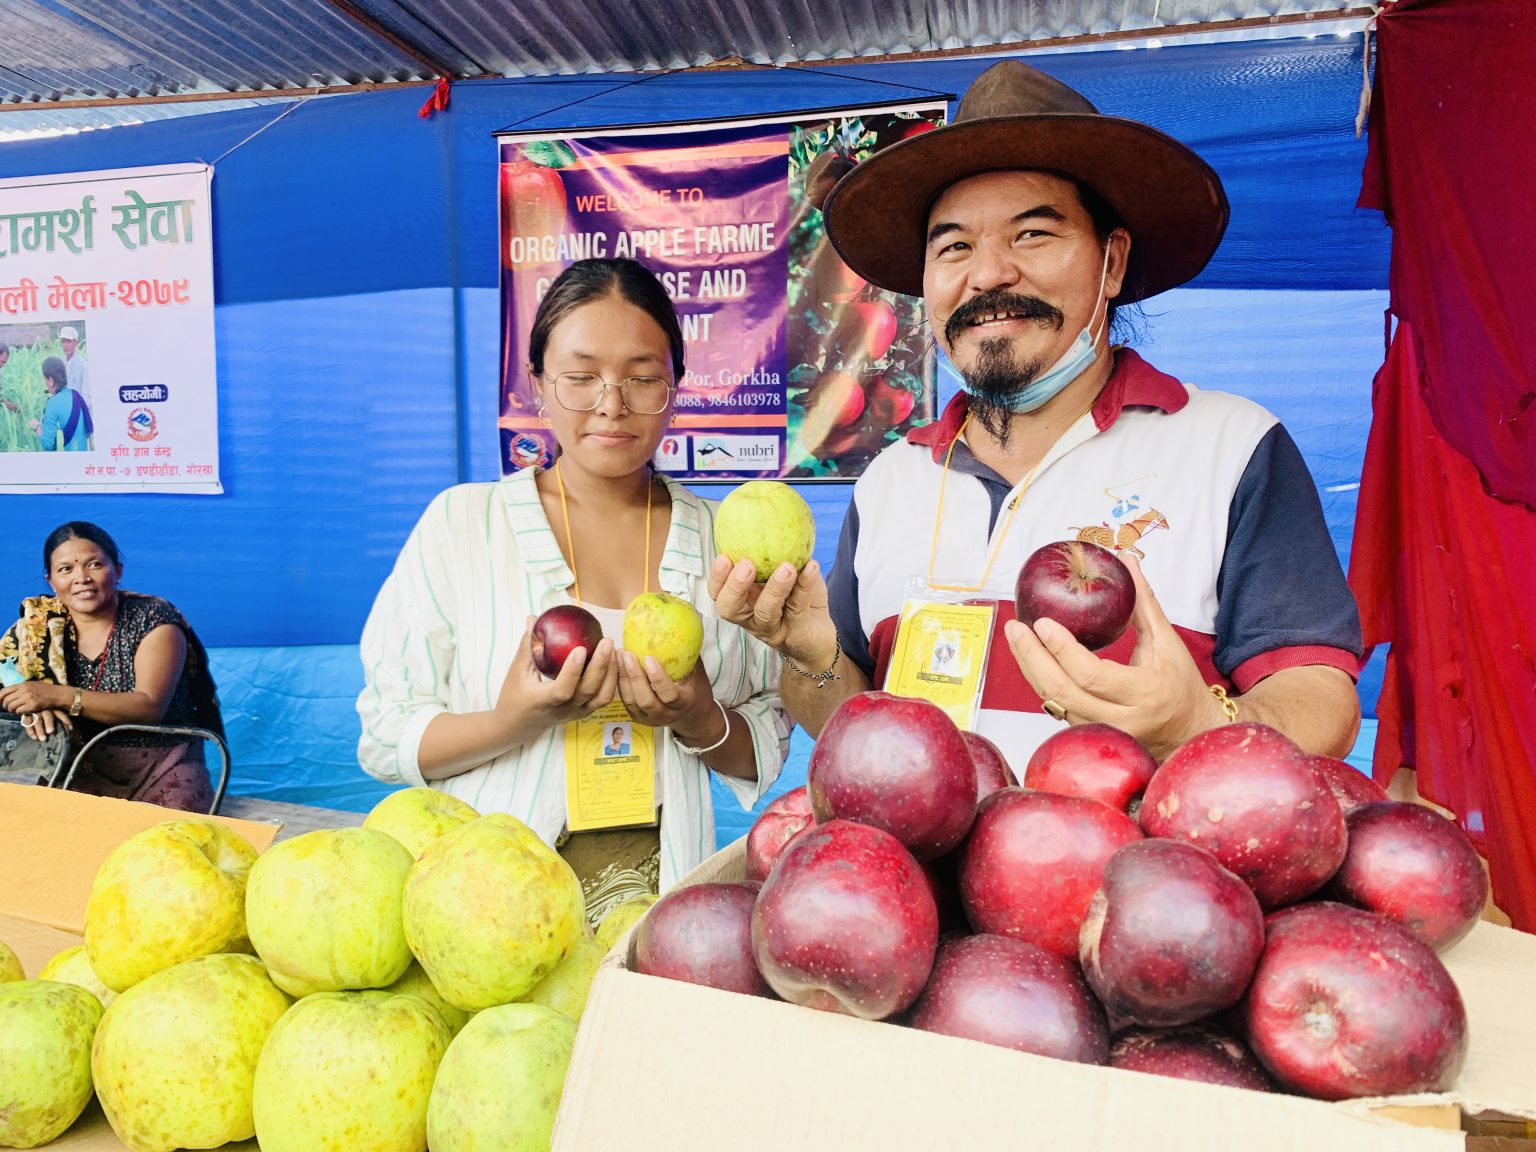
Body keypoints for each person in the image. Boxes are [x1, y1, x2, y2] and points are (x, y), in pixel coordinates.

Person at [709, 60, 1362, 767]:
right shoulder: (892, 479)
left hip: (1147, 843)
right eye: (955, 246)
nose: (988, 274)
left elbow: (1322, 700)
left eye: (1032, 235)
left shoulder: (1230, 447)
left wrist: (1198, 723)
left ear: (1112, 263)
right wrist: (811, 658)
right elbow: (848, 721)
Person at [358, 258, 788, 921]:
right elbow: (387, 734)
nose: (612, 404)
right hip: (487, 914)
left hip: (660, 921)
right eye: (582, 377)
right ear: (537, 385)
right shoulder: (463, 525)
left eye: (642, 377)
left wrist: (698, 717)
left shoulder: (723, 544)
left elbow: (765, 738)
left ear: (675, 387)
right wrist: (512, 721)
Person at [0, 522, 224, 811]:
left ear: (117, 570)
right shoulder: (37, 627)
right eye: (66, 569)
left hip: (164, 766)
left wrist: (55, 696)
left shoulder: (153, 619)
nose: (82, 578)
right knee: (46, 830)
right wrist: (32, 705)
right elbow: (9, 681)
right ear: (51, 581)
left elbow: (149, 706)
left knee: (171, 835)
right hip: (76, 765)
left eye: (94, 564)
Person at [31, 356, 92, 452]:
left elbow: (48, 445)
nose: (45, 382)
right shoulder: (77, 395)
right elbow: (88, 430)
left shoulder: (52, 403)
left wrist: (36, 427)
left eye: (45, 379)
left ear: (51, 381)